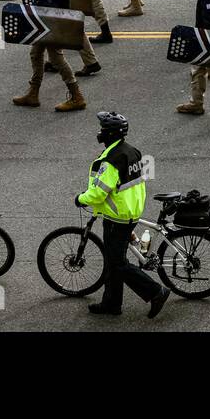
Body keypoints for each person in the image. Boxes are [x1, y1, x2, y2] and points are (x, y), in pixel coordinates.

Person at [78, 111, 168, 318]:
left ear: (109, 133)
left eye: (102, 129)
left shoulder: (110, 160)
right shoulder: (131, 151)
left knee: (118, 263)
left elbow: (99, 192)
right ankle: (111, 303)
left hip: (117, 217)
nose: (99, 132)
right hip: (131, 210)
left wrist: (80, 199)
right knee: (112, 260)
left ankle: (156, 291)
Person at [11, 0, 86, 112]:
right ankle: (33, 92)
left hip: (48, 21)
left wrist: (37, 20)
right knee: (36, 54)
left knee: (55, 57)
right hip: (55, 18)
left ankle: (76, 95)